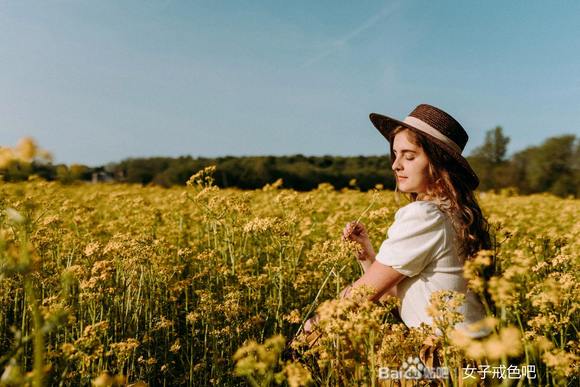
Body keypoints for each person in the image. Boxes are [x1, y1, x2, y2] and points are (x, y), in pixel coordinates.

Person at [304, 104, 492, 338]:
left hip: (449, 358)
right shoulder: (453, 211)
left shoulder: (425, 215)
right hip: (478, 354)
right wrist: (366, 256)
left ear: (438, 163)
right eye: (395, 154)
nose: (396, 165)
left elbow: (365, 293)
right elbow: (397, 293)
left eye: (409, 156)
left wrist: (314, 324)